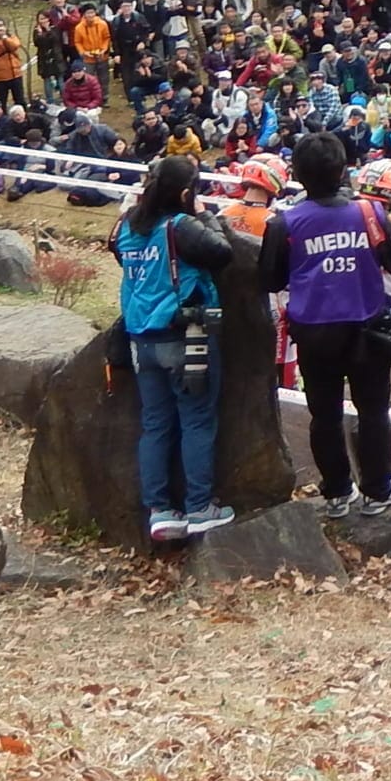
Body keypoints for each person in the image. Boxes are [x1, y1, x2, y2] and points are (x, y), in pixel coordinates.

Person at [259, 130, 391, 518]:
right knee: (373, 410)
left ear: (296, 174)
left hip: (314, 333)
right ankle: (377, 490)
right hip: (367, 328)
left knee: (323, 414)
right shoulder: (367, 212)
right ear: (344, 170)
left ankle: (338, 492)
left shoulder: (285, 223)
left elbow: (270, 278)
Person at [110, 154, 235, 542]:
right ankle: (199, 508)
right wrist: (203, 214)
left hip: (140, 341)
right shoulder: (180, 227)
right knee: (196, 419)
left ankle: (160, 512)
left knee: (155, 424)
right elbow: (222, 252)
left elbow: (116, 249)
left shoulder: (129, 225)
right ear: (184, 193)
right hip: (185, 337)